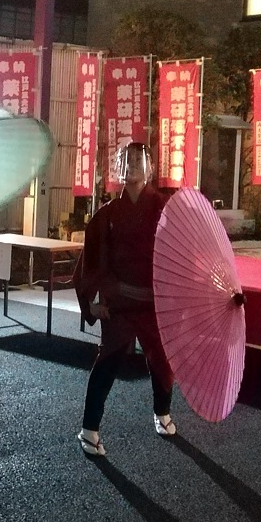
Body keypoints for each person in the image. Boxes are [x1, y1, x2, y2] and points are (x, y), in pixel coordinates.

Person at [72, 141, 176, 457]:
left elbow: (181, 255)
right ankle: (89, 430)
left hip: (154, 302)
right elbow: (91, 261)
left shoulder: (165, 210)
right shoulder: (108, 214)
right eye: (125, 161)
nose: (130, 166)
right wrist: (89, 301)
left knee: (161, 361)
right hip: (118, 302)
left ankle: (162, 412)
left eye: (137, 160)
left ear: (151, 168)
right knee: (109, 360)